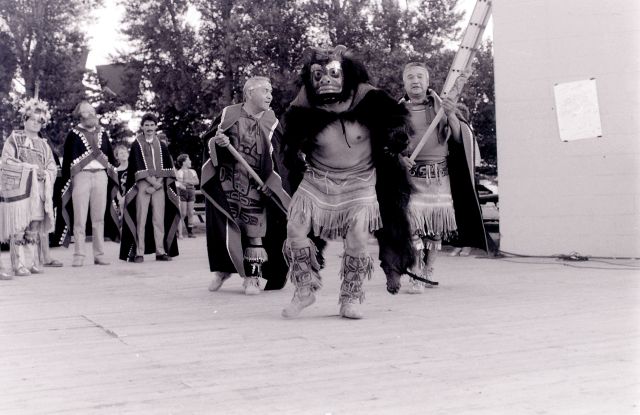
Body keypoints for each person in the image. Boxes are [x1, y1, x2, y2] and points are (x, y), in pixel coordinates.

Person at [278, 46, 414, 319]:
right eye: (318, 76)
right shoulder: (303, 106)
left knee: (358, 238)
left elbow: (399, 126)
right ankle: (305, 289)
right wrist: (295, 153)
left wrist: (397, 140)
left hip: (360, 180)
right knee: (295, 228)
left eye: (332, 74)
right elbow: (288, 143)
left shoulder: (369, 99)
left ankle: (350, 298)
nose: (325, 81)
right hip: (318, 179)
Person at [399, 62, 487, 293]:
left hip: (439, 177)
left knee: (436, 229)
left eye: (420, 76)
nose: (415, 81)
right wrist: (399, 158)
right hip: (411, 178)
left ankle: (428, 271)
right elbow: (386, 144)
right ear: (404, 82)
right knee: (412, 227)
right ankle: (416, 273)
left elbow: (458, 138)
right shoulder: (395, 112)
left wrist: (450, 114)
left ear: (428, 82)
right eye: (410, 77)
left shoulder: (441, 107)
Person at [201, 76, 290, 295]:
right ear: (250, 93)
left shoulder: (272, 122)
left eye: (271, 91)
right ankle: (223, 270)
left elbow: (280, 158)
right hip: (227, 183)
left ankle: (252, 278)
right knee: (225, 230)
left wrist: (273, 184)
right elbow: (209, 142)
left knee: (254, 230)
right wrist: (218, 143)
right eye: (265, 90)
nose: (270, 95)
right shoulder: (228, 115)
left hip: (257, 187)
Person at [0, 98, 58, 276]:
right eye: (32, 119)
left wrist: (45, 174)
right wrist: (31, 170)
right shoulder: (14, 139)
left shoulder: (44, 144)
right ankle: (18, 264)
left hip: (39, 190)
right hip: (21, 192)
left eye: (40, 121)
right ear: (25, 120)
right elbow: (7, 161)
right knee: (19, 226)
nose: (36, 123)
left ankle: (32, 262)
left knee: (33, 226)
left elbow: (52, 166)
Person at [60, 101, 120, 267]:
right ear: (80, 115)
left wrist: (116, 164)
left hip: (101, 176)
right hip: (81, 177)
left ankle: (99, 254)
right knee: (79, 218)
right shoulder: (73, 134)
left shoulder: (103, 133)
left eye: (92, 111)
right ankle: (79, 254)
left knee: (99, 218)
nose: (91, 115)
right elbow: (68, 161)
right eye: (86, 112)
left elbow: (109, 156)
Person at [119, 113, 180, 262]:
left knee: (158, 218)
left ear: (156, 126)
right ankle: (139, 252)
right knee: (141, 218)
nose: (149, 128)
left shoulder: (162, 145)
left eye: (152, 125)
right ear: (142, 127)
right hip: (143, 184)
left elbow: (167, 167)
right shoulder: (136, 144)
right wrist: (153, 183)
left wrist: (157, 183)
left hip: (159, 184)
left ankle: (160, 251)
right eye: (146, 125)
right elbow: (137, 166)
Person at [175, 154, 198, 238]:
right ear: (184, 162)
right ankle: (178, 231)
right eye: (189, 160)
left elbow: (197, 182)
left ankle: (190, 232)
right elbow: (179, 183)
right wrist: (190, 181)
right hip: (183, 193)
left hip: (191, 192)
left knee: (191, 212)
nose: (190, 161)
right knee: (183, 213)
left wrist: (186, 181)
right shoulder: (179, 172)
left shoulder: (193, 171)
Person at [114, 144, 129, 222]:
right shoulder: (116, 171)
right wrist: (120, 198)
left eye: (125, 152)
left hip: (132, 195)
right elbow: (116, 187)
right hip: (121, 198)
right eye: (121, 153)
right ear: (117, 157)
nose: (124, 154)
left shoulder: (133, 168)